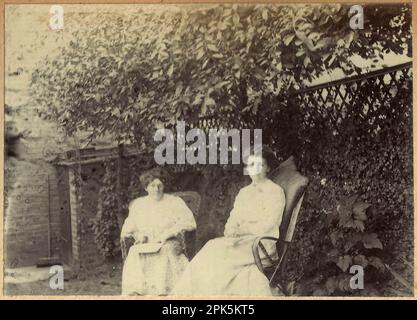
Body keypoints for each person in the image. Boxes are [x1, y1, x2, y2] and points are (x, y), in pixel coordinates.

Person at [172, 147, 286, 296]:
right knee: (212, 249)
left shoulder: (275, 191)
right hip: (240, 242)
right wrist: (231, 229)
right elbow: (233, 219)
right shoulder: (244, 192)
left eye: (260, 165)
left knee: (215, 255)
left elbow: (269, 223)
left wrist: (243, 230)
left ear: (268, 168)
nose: (255, 169)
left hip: (261, 244)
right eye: (251, 165)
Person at [121, 168, 197, 295]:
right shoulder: (139, 204)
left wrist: (166, 235)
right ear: (146, 188)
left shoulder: (174, 202)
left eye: (159, 185)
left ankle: (163, 290)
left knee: (165, 250)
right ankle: (138, 290)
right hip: (147, 242)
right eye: (152, 186)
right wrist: (139, 236)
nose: (156, 189)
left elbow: (188, 222)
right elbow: (129, 227)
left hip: (168, 240)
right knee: (134, 251)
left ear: (164, 186)